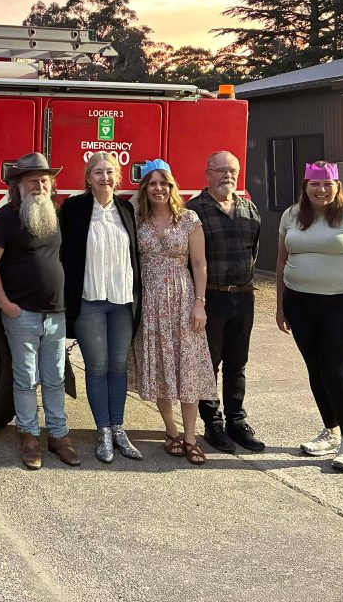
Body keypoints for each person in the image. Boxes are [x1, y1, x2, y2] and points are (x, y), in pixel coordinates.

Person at [276, 161, 343, 473]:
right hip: (300, 304)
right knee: (316, 371)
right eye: (314, 184)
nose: (321, 190)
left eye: (327, 184)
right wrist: (281, 307)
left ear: (337, 186)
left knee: (335, 372)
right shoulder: (291, 215)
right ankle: (329, 430)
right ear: (305, 186)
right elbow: (282, 261)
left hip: (342, 306)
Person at [0, 152, 80, 470]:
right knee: (26, 378)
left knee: (54, 377)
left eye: (44, 180)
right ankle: (28, 435)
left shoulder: (56, 213)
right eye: (32, 180)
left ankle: (59, 435)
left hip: (56, 312)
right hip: (21, 313)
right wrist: (3, 303)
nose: (39, 185)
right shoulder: (6, 217)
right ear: (17, 185)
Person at [127, 159, 216, 465]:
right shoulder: (138, 219)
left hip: (182, 296)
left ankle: (191, 437)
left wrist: (200, 302)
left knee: (187, 366)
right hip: (149, 301)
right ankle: (171, 431)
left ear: (172, 187)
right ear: (145, 188)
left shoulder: (188, 219)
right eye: (152, 183)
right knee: (163, 368)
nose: (158, 188)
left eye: (164, 183)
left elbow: (200, 264)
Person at [60, 152, 142, 464]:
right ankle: (103, 431)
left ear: (117, 177)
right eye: (98, 172)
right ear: (88, 178)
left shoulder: (126, 209)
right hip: (89, 300)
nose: (104, 177)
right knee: (97, 366)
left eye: (109, 172)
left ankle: (118, 428)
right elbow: (64, 253)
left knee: (118, 367)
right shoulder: (75, 208)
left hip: (122, 300)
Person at [186, 151, 265, 453]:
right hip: (212, 297)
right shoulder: (194, 211)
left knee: (238, 362)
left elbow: (253, 252)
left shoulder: (249, 209)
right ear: (207, 174)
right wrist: (198, 301)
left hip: (243, 297)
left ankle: (236, 420)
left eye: (232, 170)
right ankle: (213, 422)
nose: (227, 176)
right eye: (220, 170)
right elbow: (191, 262)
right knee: (209, 364)